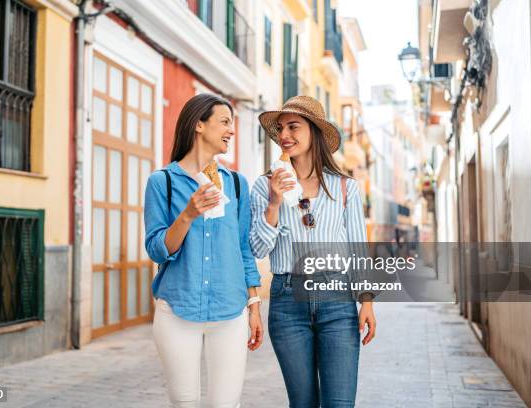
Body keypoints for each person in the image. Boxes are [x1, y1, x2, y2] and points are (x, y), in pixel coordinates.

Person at [250, 95, 377, 407]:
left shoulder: (345, 188)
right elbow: (257, 247)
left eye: (293, 126)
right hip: (287, 301)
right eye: (280, 128)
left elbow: (358, 250)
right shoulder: (264, 187)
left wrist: (367, 302)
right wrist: (275, 203)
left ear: (315, 132)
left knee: (339, 403)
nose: (284, 135)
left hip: (337, 301)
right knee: (303, 403)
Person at [144, 93, 263, 408]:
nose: (232, 131)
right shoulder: (162, 182)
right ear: (199, 124)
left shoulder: (236, 184)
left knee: (226, 404)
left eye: (232, 123)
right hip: (178, 311)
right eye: (225, 122)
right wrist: (187, 214)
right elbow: (157, 250)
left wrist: (254, 306)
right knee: (185, 403)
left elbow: (243, 248)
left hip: (230, 312)